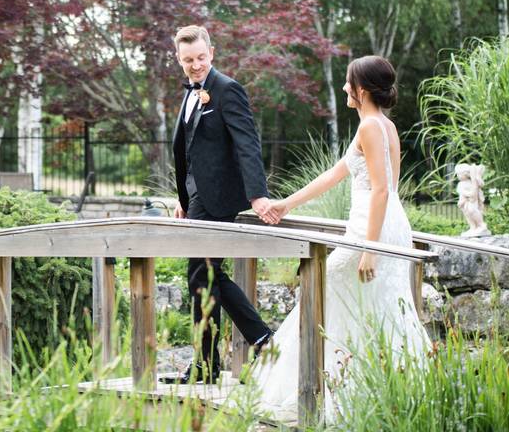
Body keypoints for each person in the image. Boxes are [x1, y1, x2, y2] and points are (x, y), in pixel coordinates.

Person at [252, 55, 430, 422]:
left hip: (373, 229)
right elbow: (337, 173)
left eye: (349, 83)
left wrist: (370, 248)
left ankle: (321, 389)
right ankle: (375, 389)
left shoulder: (371, 127)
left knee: (325, 288)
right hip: (386, 224)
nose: (345, 88)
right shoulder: (382, 125)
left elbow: (382, 190)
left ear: (362, 90)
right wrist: (286, 203)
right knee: (370, 306)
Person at [160, 25, 277, 385]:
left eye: (200, 58)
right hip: (198, 200)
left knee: (201, 274)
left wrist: (257, 195)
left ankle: (232, 351)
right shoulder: (189, 94)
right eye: (187, 60)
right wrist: (184, 199)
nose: (195, 66)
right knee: (204, 276)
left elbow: (247, 144)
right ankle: (240, 346)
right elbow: (189, 153)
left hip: (220, 199)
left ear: (212, 53)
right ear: (178, 60)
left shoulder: (227, 90)